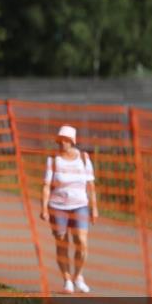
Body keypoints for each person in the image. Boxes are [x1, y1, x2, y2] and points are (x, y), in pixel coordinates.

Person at [40, 125, 98, 293]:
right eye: (59, 140)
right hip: (57, 206)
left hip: (80, 205)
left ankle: (78, 276)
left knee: (81, 241)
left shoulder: (84, 158)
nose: (61, 143)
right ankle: (67, 280)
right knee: (62, 242)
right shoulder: (53, 159)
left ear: (72, 141)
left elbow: (90, 186)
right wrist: (44, 208)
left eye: (65, 140)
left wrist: (94, 209)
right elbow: (46, 186)